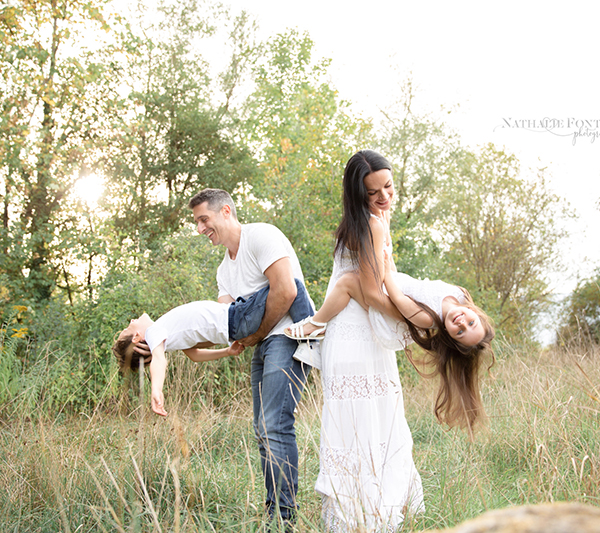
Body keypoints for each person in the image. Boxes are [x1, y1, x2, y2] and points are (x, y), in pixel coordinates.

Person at [313, 149, 424, 532]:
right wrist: (417, 325)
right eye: (374, 192)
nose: (384, 197)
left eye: (389, 187)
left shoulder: (360, 222)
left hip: (344, 337)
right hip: (357, 336)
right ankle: (371, 515)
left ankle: (355, 513)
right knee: (376, 420)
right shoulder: (373, 225)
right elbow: (374, 294)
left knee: (358, 423)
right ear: (358, 193)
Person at [192, 188, 315, 527]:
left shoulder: (261, 236)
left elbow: (287, 291)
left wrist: (256, 333)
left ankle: (285, 519)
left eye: (205, 219)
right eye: (197, 223)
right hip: (261, 344)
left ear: (226, 211)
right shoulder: (223, 271)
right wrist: (171, 335)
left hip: (288, 336)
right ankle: (273, 510)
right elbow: (225, 319)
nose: (201, 228)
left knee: (274, 425)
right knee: (262, 430)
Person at [285, 252, 495, 431]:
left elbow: (400, 299)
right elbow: (415, 287)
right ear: (474, 312)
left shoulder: (428, 318)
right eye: (471, 323)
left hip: (389, 313)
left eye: (460, 332)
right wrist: (389, 266)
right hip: (397, 281)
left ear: (449, 335)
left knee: (348, 282)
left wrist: (384, 269)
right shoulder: (459, 294)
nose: (462, 323)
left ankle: (317, 324)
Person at [112, 278, 314, 418]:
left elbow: (195, 355)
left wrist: (226, 352)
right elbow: (159, 359)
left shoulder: (167, 335)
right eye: (128, 327)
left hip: (236, 324)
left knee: (282, 291)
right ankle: (311, 339)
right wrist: (156, 389)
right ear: (137, 338)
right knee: (290, 284)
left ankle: (287, 400)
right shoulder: (153, 332)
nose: (132, 320)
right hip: (236, 317)